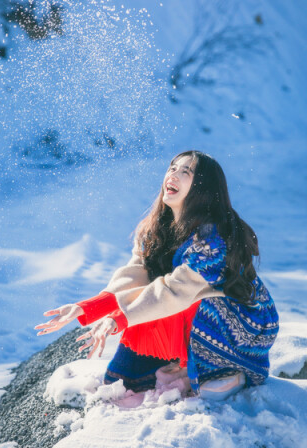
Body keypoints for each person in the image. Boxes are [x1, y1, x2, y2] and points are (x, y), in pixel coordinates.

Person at [35, 151, 279, 400]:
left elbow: (174, 291)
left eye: (186, 172)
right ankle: (183, 361)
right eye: (172, 168)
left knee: (181, 303)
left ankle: (229, 371)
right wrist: (88, 307)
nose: (173, 174)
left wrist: (120, 317)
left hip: (241, 324)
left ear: (203, 189)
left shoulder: (212, 241)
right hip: (184, 306)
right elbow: (138, 273)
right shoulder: (157, 227)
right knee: (123, 380)